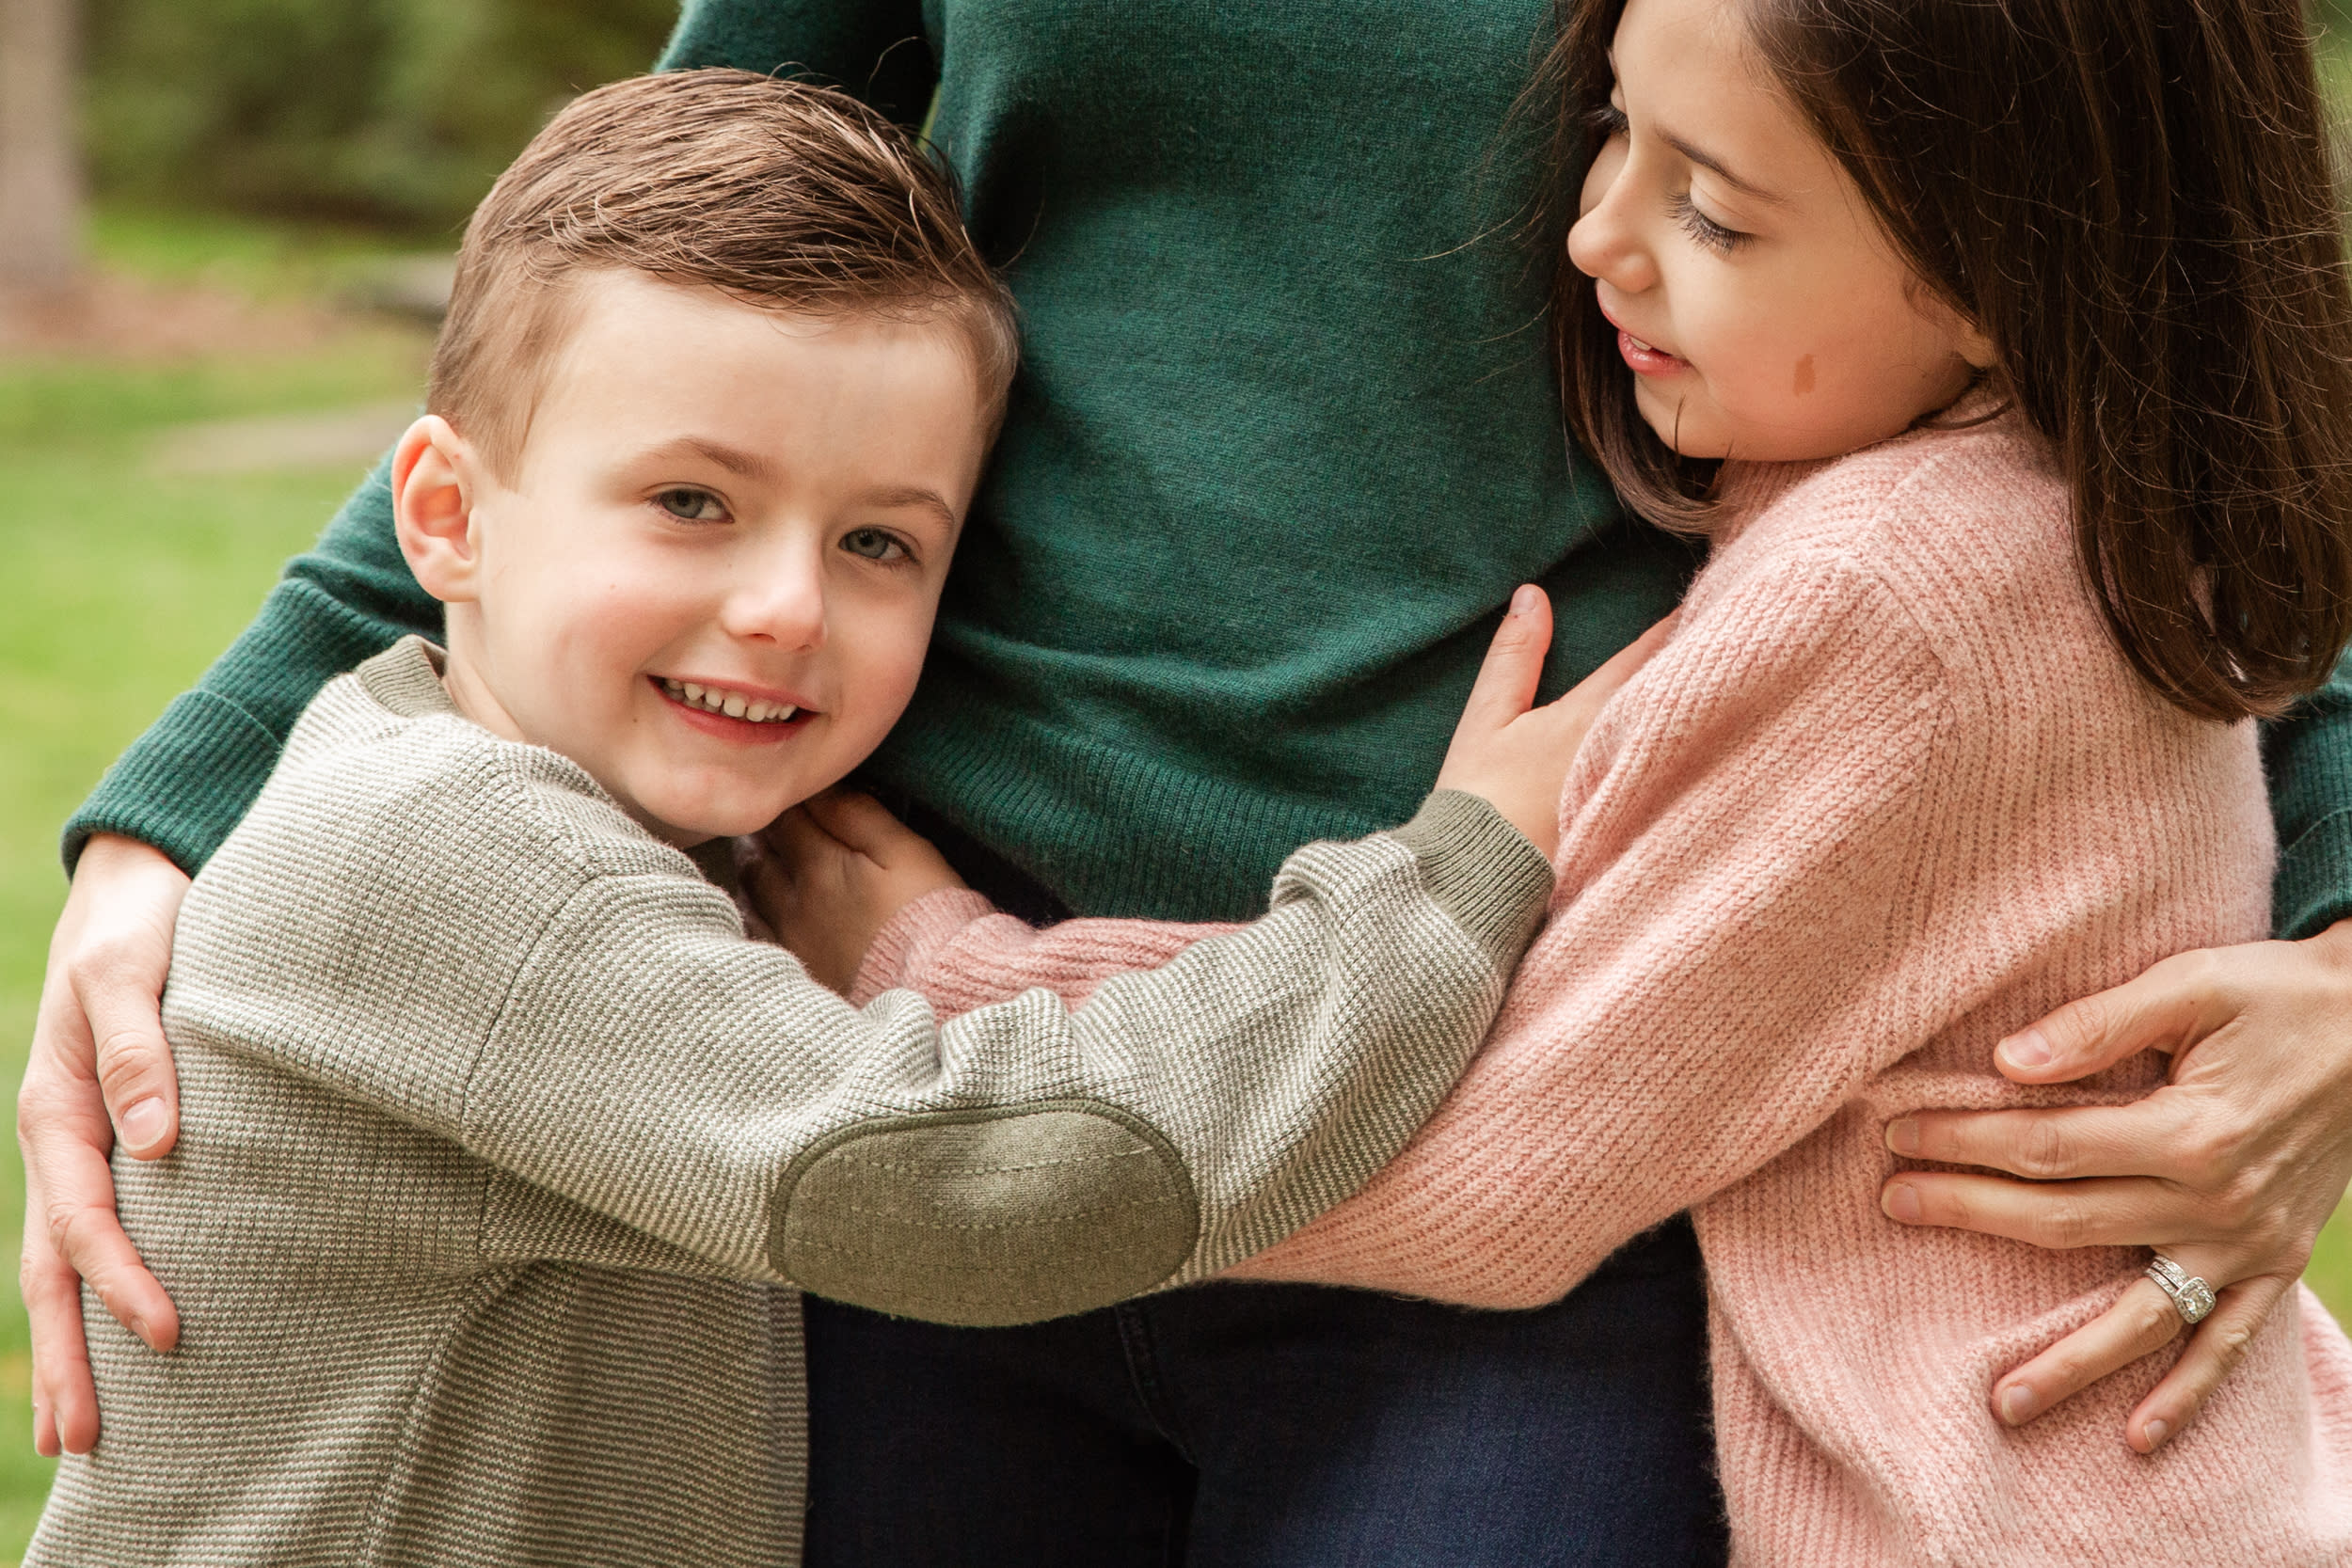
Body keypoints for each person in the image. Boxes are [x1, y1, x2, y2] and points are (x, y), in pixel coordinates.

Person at [24, 0, 2352, 1561]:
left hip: (1537, 1105)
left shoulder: (1924, 543)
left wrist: (2335, 933)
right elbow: (623, 281)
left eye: (1699, 203)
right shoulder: (522, 892)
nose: (1596, 229)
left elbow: (2147, 331)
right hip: (881, 1098)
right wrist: (197, 804)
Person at [21, 68, 1627, 1566]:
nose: (786, 608)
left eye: (879, 544)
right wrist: (1449, 881)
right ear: (444, 516)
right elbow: (983, 1186)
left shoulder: (579, 818)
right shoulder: (451, 864)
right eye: (691, 503)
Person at [819, 0, 2352, 1555]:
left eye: (1712, 212)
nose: (1588, 233)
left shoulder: (1894, 596)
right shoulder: (2029, 505)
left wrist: (932, 976)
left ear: (1995, 269)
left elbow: (1499, 1161)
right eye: (1607, 127)